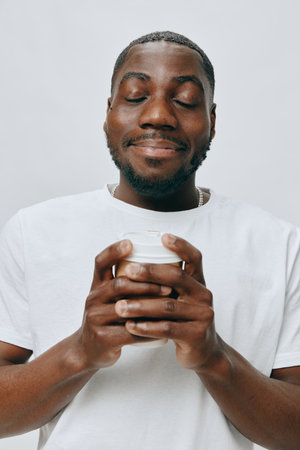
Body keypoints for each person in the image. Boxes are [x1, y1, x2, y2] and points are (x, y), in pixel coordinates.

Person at [0, 30, 300, 450]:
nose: (158, 114)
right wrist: (80, 352)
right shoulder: (34, 230)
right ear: (108, 112)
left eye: (186, 100)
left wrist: (214, 358)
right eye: (136, 95)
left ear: (212, 119)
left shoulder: (278, 244)